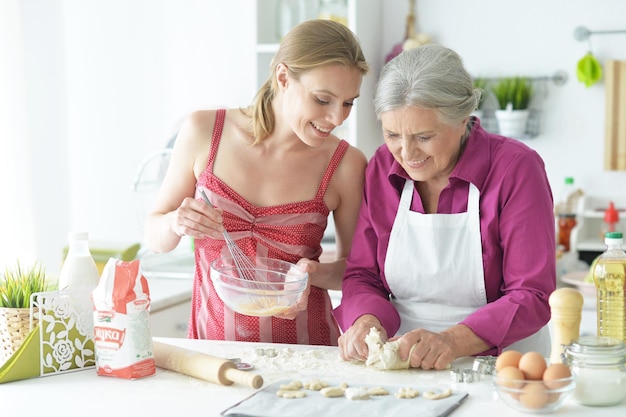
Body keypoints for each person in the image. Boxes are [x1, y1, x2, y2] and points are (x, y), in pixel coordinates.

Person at [144, 19, 369, 346]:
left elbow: (357, 272)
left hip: (306, 359)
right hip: (213, 356)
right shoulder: (204, 131)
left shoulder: (346, 165)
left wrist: (312, 274)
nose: (337, 118)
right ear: (283, 77)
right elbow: (155, 236)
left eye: (348, 102)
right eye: (323, 100)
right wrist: (176, 222)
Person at [335, 44, 555, 369]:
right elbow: (364, 275)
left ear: (462, 119)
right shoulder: (382, 167)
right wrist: (366, 321)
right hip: (403, 363)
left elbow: (532, 294)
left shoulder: (515, 168)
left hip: (502, 367)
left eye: (424, 137)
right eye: (393, 134)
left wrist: (452, 341)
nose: (407, 153)